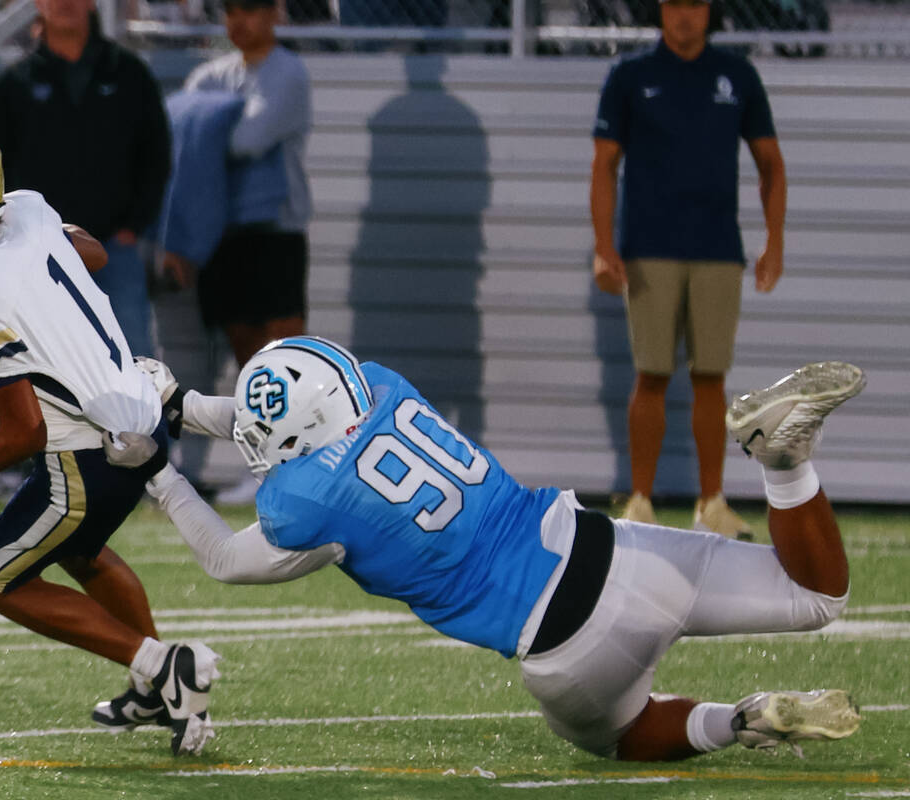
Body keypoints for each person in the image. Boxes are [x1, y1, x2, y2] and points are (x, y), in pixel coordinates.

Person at [109, 337, 864, 761]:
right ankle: (782, 461)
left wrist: (159, 473)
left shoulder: (304, 502)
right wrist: (185, 406)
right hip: (613, 551)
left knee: (618, 735)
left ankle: (743, 719)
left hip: (566, 647)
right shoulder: (381, 383)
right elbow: (288, 419)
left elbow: (223, 558)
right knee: (815, 596)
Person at [0, 118, 218, 756]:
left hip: (88, 453)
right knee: (82, 552)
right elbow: (93, 254)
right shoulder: (25, 209)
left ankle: (162, 664)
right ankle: (157, 686)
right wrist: (38, 262)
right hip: (136, 421)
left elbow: (24, 432)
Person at [589, 0, 788, 537]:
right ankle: (640, 500)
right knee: (651, 374)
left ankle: (711, 502)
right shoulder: (630, 76)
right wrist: (604, 247)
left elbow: (770, 162)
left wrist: (774, 242)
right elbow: (604, 164)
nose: (685, 15)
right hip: (649, 248)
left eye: (695, 4)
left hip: (717, 247)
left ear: (710, 10)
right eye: (676, 3)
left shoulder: (737, 76)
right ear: (660, 8)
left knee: (710, 377)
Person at [0, 0, 170, 358]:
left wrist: (134, 226)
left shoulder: (129, 73)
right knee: (45, 365)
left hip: (115, 249)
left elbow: (156, 155)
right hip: (37, 254)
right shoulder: (14, 83)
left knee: (135, 362)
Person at [164, 0, 312, 368]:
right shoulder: (208, 75)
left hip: (277, 233)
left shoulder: (288, 72)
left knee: (288, 354)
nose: (238, 20)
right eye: (230, 10)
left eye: (250, 8)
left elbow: (248, 139)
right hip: (222, 233)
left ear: (274, 12)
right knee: (247, 355)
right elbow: (179, 140)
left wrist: (204, 130)